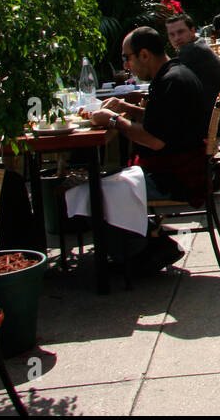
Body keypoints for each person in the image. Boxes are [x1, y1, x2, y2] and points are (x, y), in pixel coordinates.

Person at [86, 26, 207, 271]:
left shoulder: (171, 82)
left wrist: (113, 121)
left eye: (126, 58)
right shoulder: (175, 73)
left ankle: (138, 254)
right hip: (182, 169)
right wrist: (127, 108)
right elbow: (164, 121)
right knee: (106, 182)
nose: (126, 65)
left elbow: (155, 139)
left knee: (95, 191)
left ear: (143, 55)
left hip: (175, 179)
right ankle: (146, 243)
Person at [165, 13, 220, 129]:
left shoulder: (191, 51)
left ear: (192, 30)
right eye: (172, 35)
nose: (176, 38)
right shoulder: (199, 44)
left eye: (181, 32)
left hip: (209, 122)